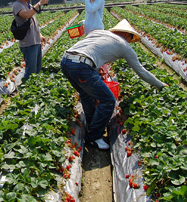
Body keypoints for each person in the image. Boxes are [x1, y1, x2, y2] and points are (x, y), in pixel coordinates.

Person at [60, 19, 167, 150]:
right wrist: (160, 85)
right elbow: (141, 72)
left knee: (86, 94)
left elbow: (90, 49)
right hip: (81, 66)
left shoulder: (99, 33)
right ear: (127, 35)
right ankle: (94, 137)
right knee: (108, 100)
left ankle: (92, 126)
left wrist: (95, 67)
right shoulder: (124, 46)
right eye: (130, 38)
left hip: (65, 61)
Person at [12, 0, 49, 80]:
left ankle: (33, 89)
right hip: (28, 44)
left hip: (36, 42)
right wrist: (39, 4)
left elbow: (33, 24)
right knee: (31, 71)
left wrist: (40, 35)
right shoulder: (17, 5)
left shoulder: (30, 5)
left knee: (37, 69)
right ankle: (26, 91)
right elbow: (26, 15)